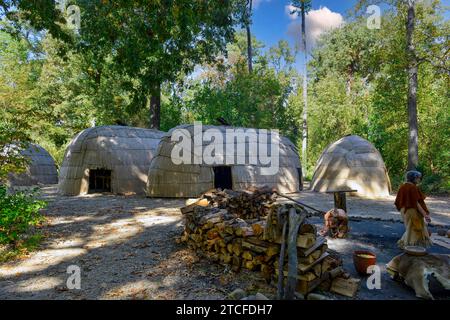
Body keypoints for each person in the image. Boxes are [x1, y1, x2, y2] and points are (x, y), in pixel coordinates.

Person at [395, 170, 432, 249]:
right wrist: (425, 215)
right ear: (414, 178)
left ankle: (408, 245)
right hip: (412, 210)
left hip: (404, 210)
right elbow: (416, 203)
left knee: (409, 227)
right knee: (415, 228)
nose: (419, 179)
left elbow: (398, 201)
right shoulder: (412, 187)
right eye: (418, 178)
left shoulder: (402, 186)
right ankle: (410, 246)